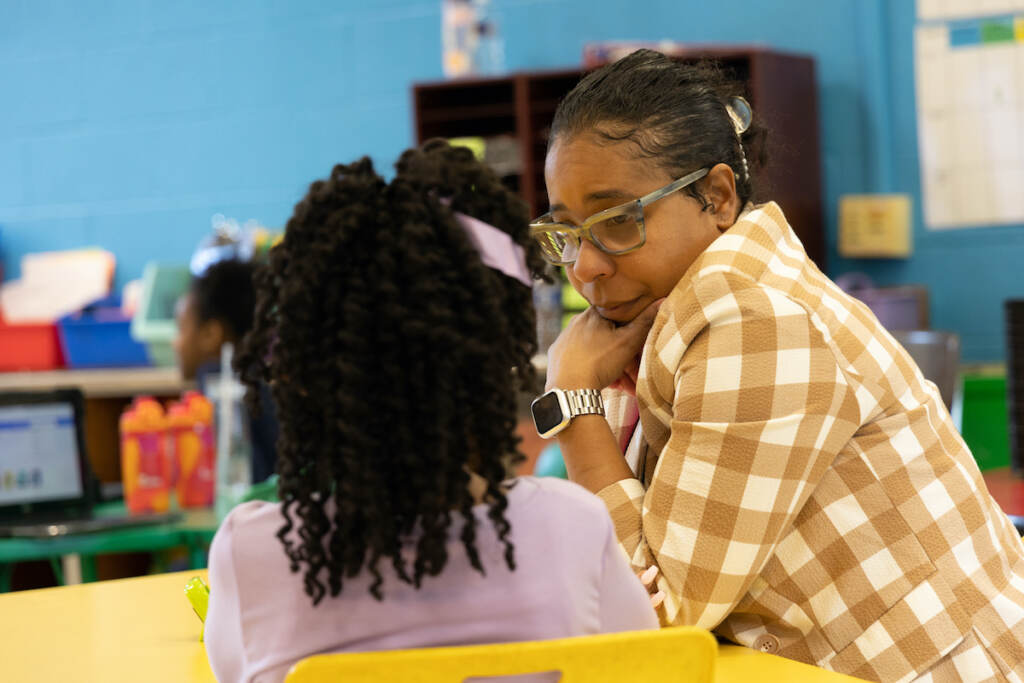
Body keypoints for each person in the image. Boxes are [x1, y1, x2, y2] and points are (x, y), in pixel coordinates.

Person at [531, 49, 1024, 681]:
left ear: (717, 196)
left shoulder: (752, 315)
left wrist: (571, 403)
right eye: (567, 231)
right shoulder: (648, 318)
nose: (584, 266)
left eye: (619, 220)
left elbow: (652, 616)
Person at [203, 141, 658, 683]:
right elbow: (646, 664)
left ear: (303, 380)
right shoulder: (572, 528)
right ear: (493, 365)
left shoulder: (252, 553)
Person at [173, 258, 278, 483]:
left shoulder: (216, 381)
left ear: (211, 335)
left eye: (181, 329)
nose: (176, 343)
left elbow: (241, 481)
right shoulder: (262, 379)